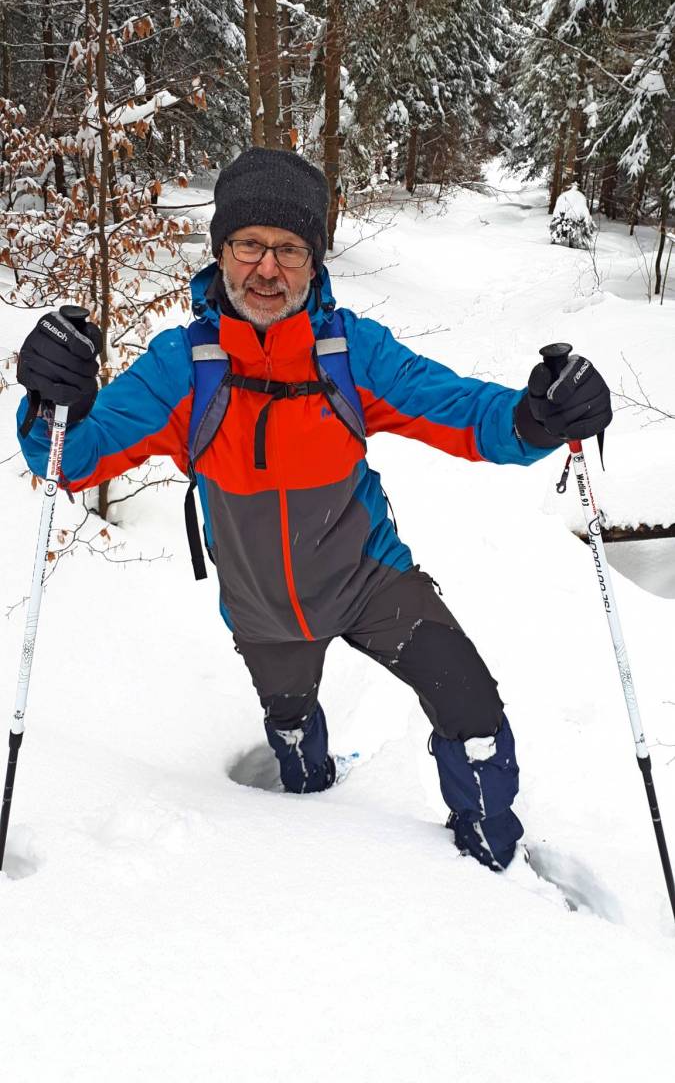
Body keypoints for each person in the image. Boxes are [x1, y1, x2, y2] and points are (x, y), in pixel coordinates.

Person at [15, 148, 612, 871]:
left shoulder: (348, 352)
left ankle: (492, 854)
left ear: (314, 262)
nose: (267, 269)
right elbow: (72, 460)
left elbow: (459, 410)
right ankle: (306, 798)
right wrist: (52, 402)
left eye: (289, 249)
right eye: (249, 245)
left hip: (370, 580)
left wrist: (537, 419)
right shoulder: (183, 367)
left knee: (470, 704)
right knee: (292, 727)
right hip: (261, 607)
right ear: (221, 252)